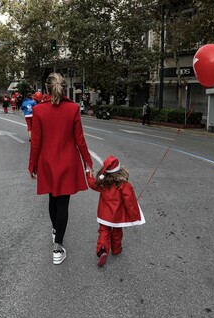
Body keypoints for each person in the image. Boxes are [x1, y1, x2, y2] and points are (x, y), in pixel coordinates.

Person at [28, 72, 94, 265]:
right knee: (63, 203)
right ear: (64, 88)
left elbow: (36, 143)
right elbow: (79, 140)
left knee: (52, 198)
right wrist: (88, 163)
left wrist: (32, 165)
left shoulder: (39, 110)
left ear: (46, 89)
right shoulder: (73, 108)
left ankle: (55, 231)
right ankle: (58, 247)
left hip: (47, 162)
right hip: (67, 162)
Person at [86, 155, 145, 266]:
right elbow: (130, 202)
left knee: (104, 232)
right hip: (117, 216)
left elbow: (92, 184)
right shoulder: (124, 185)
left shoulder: (103, 184)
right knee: (117, 232)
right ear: (119, 170)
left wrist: (88, 174)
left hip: (104, 215)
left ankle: (102, 250)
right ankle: (116, 250)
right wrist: (133, 216)